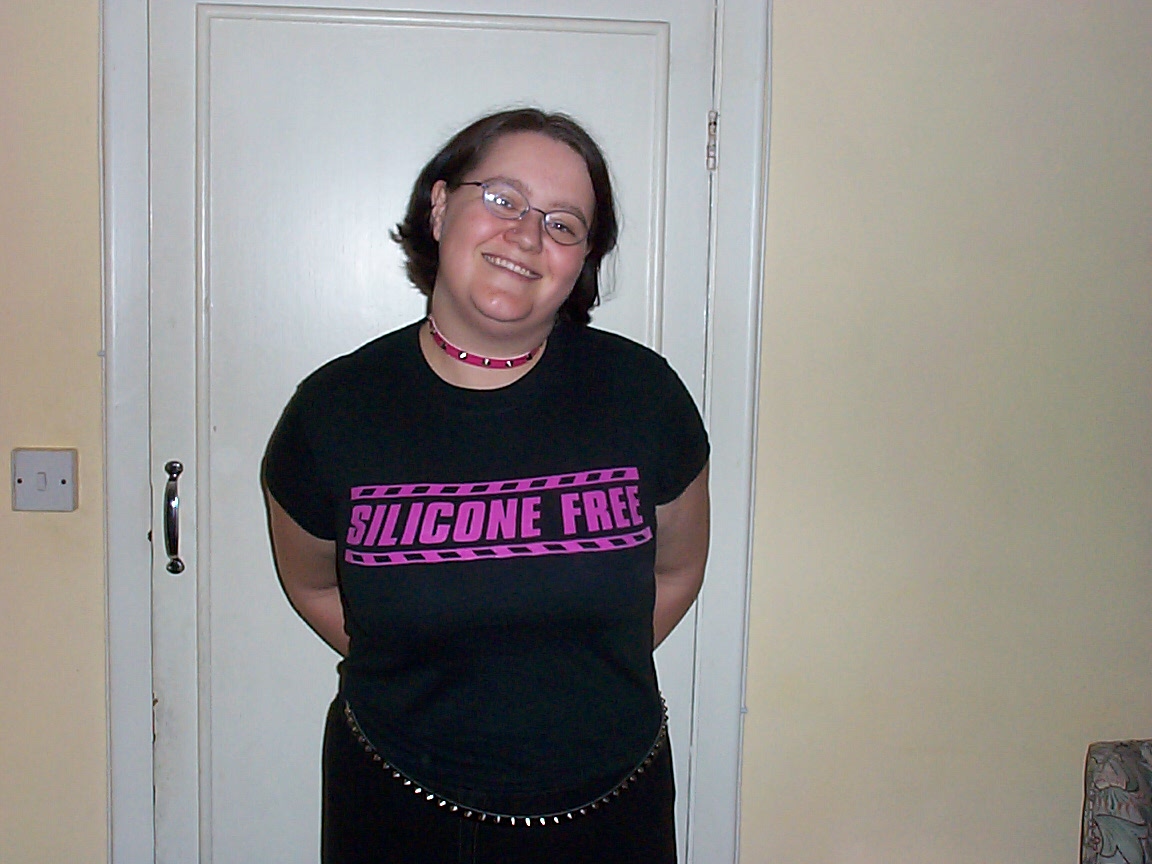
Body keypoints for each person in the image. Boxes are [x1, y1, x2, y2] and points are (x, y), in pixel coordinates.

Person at [262, 108, 710, 864]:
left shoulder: (643, 395)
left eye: (564, 224)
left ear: (582, 260)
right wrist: (433, 674)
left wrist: (562, 683)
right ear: (440, 208)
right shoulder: (334, 410)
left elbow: (678, 570)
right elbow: (311, 582)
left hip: (609, 804)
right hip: (398, 801)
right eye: (503, 199)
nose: (528, 235)